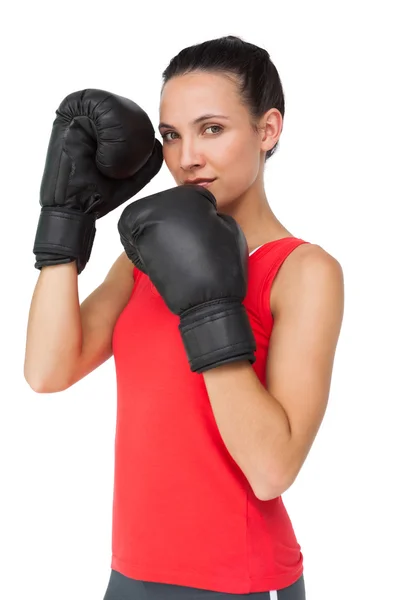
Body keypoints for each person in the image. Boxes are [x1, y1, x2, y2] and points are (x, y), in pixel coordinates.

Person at [24, 36, 344, 599]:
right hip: (131, 573)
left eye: (213, 129)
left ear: (268, 130)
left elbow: (273, 471)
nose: (187, 156)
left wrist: (209, 307)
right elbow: (48, 372)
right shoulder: (145, 256)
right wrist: (64, 221)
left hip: (239, 581)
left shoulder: (302, 270)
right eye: (171, 135)